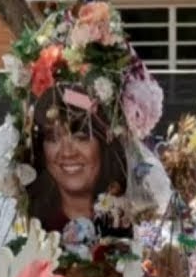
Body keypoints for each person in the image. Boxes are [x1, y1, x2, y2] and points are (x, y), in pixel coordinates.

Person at [24, 87, 132, 238]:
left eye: (80, 137)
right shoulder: (24, 223)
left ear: (104, 144)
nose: (67, 152)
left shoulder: (133, 219)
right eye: (53, 139)